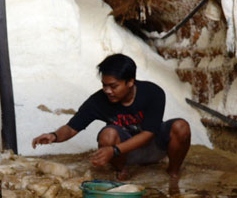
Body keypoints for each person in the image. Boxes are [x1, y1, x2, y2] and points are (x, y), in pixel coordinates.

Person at [31, 53, 191, 179]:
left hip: (153, 147)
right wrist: (54, 136)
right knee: (108, 134)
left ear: (130, 82)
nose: (107, 91)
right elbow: (71, 128)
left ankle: (173, 172)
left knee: (181, 126)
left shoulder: (153, 93)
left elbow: (149, 134)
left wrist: (113, 151)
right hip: (124, 154)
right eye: (104, 85)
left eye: (113, 86)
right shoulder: (99, 100)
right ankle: (122, 171)